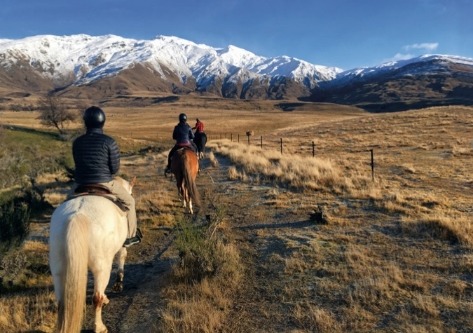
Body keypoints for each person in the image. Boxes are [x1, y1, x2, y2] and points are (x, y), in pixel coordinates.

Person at [72, 106, 142, 247]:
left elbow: (77, 164)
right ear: (102, 122)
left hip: (80, 184)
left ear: (85, 122)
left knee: (64, 206)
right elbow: (115, 169)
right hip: (105, 183)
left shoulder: (77, 142)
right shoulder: (109, 142)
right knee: (130, 202)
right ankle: (131, 236)